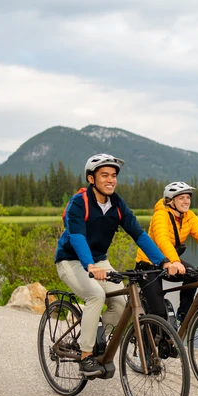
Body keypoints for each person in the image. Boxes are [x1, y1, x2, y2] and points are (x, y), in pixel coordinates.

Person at [55, 153, 178, 377]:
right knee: (95, 296)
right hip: (71, 260)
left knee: (121, 303)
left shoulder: (117, 204)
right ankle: (85, 356)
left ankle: (99, 342)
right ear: (91, 179)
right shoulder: (79, 203)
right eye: (104, 175)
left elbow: (139, 234)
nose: (110, 180)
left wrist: (164, 261)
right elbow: (78, 238)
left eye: (113, 175)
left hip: (100, 260)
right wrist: (90, 266)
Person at [135, 181, 198, 325]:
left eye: (188, 197)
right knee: (158, 312)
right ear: (171, 200)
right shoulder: (160, 215)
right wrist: (175, 261)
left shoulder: (189, 216)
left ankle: (182, 316)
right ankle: (151, 344)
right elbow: (162, 239)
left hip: (171, 261)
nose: (186, 201)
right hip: (148, 263)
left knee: (194, 276)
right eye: (181, 198)